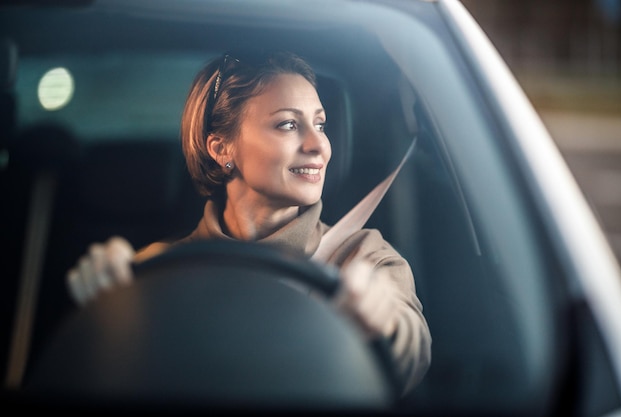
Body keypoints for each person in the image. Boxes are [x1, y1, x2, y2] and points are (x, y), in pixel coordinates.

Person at [66, 50, 431, 396]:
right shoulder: (160, 268)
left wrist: (383, 325)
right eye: (289, 124)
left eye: (320, 123)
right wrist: (105, 311)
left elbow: (413, 354)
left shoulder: (363, 256)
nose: (319, 145)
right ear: (221, 148)